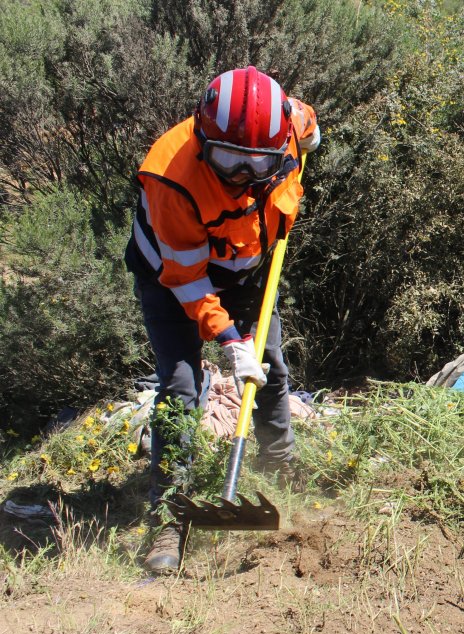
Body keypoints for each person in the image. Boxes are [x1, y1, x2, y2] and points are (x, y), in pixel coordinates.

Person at [124, 66, 320, 573]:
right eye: (228, 160)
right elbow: (187, 279)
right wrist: (230, 341)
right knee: (180, 385)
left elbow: (310, 125)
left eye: (257, 163)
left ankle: (279, 466)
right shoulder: (171, 176)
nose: (241, 175)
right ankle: (169, 516)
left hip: (245, 272)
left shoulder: (289, 126)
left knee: (269, 365)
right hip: (172, 277)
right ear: (202, 135)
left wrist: (311, 138)